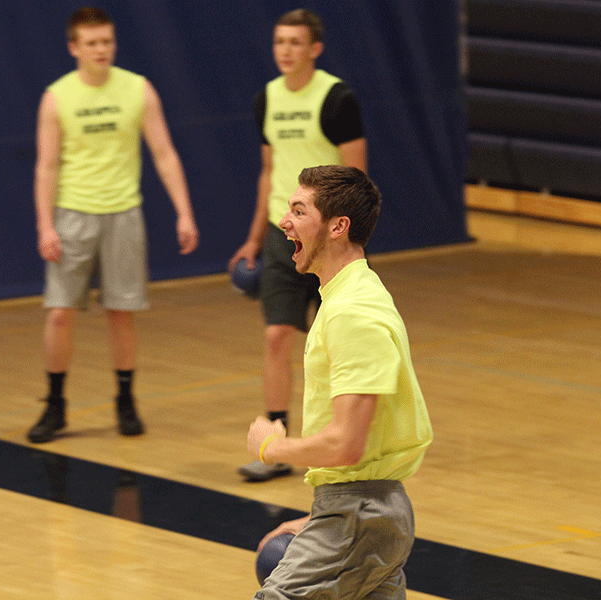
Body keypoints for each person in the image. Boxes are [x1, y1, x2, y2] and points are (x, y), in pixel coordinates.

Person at [246, 165, 432, 599]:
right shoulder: (351, 298)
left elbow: (346, 444)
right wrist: (322, 516)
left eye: (298, 210)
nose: (283, 221)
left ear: (337, 227)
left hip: (360, 512)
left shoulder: (352, 314)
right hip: (360, 511)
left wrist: (271, 448)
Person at [28, 7, 199, 443]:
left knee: (121, 314)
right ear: (74, 48)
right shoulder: (57, 97)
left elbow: (164, 153)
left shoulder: (138, 90)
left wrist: (184, 211)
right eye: (91, 43)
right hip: (73, 215)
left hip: (124, 213)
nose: (101, 49)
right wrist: (46, 226)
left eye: (107, 41)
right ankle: (55, 405)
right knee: (60, 313)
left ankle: (125, 401)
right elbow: (46, 167)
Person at [230, 9, 368, 481]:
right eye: (279, 42)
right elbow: (268, 172)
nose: (285, 50)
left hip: (327, 239)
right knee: (275, 336)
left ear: (315, 50)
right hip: (280, 233)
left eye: (295, 42)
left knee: (328, 344)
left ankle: (340, 437)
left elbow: (356, 177)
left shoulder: (336, 99)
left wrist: (350, 239)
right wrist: (253, 238)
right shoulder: (265, 99)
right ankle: (277, 444)